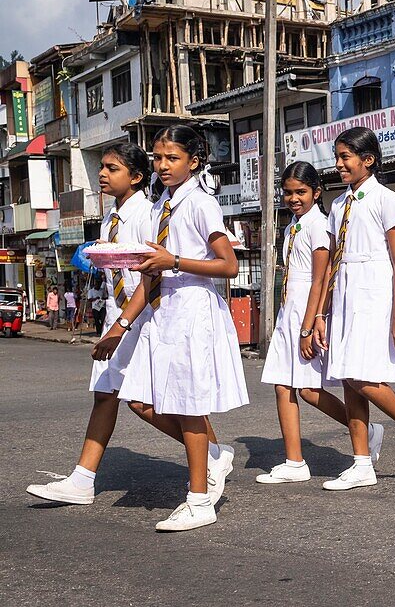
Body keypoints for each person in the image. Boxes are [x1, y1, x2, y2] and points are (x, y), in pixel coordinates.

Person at [108, 126, 248, 531]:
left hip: (192, 312)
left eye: (172, 158)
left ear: (194, 161)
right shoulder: (158, 208)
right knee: (138, 399)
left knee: (189, 406)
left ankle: (199, 500)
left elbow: (229, 265)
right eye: (157, 158)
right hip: (160, 311)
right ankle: (215, 455)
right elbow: (151, 273)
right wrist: (121, 325)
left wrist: (175, 261)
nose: (163, 165)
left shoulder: (202, 204)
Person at [25, 142, 173, 506]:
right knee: (105, 397)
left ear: (136, 177)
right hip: (116, 312)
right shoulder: (111, 218)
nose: (102, 174)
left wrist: (121, 325)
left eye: (112, 168)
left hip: (140, 317)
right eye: (102, 168)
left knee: (146, 402)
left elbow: (152, 278)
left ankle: (211, 452)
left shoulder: (146, 215)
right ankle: (83, 479)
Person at [313, 127, 395, 489]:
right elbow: (333, 264)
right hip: (345, 295)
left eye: (345, 157)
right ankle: (362, 462)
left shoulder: (386, 199)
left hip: (374, 292)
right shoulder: (338, 205)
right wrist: (322, 314)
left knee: (362, 375)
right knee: (347, 379)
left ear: (367, 160)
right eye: (337, 158)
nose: (338, 165)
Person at [256, 162, 357, 485]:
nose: (293, 198)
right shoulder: (293, 227)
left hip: (306, 312)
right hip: (290, 310)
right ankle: (294, 460)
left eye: (301, 192)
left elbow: (320, 279)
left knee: (311, 390)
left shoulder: (318, 225)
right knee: (282, 384)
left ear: (316, 192)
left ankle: (364, 429)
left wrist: (309, 325)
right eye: (288, 192)